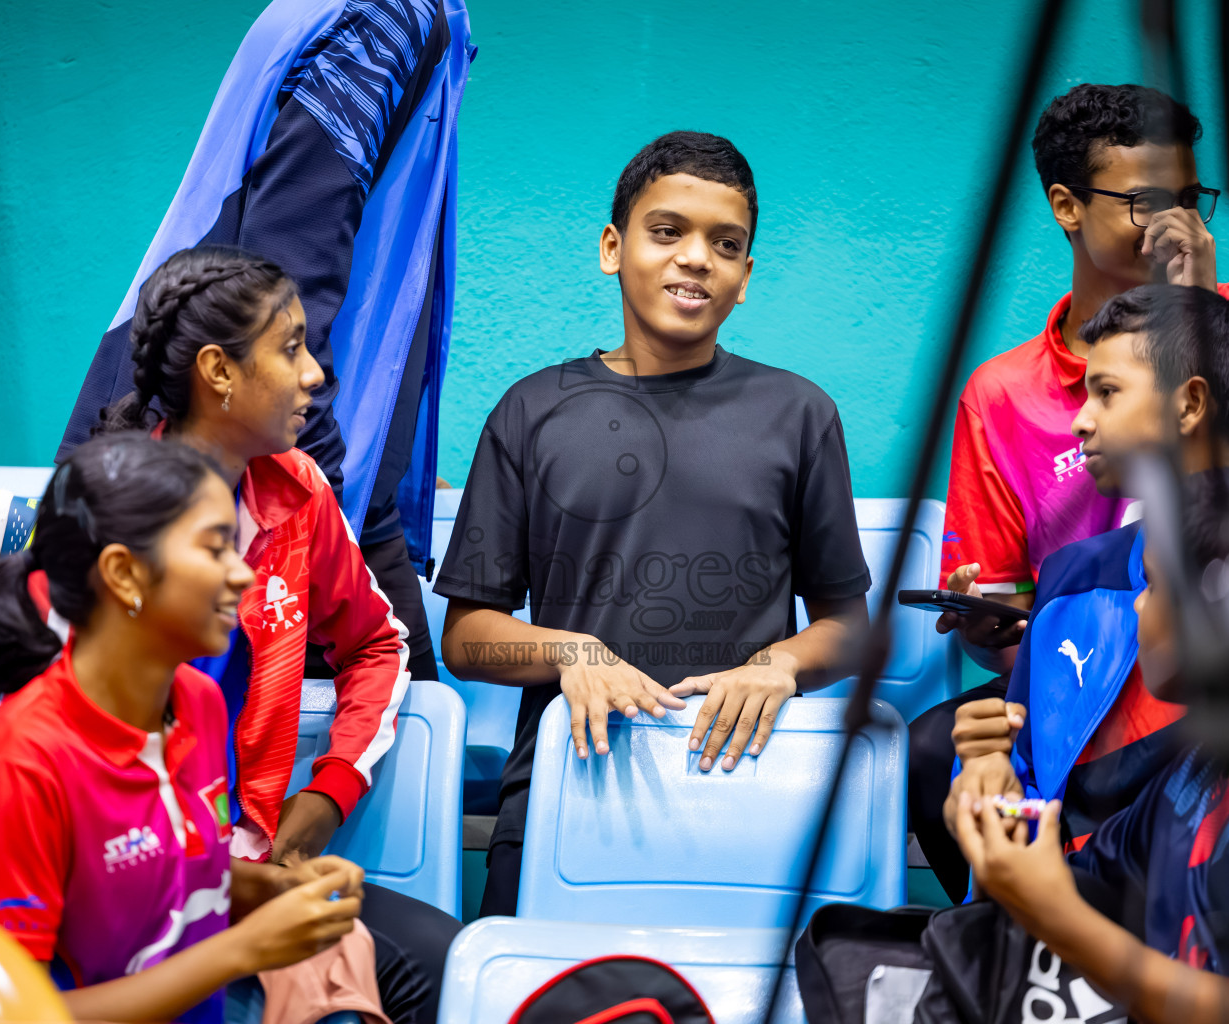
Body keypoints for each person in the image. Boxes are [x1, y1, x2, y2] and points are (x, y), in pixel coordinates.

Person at [909, 82, 1229, 898]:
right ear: (1067, 206)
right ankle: (1019, 934)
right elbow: (1005, 628)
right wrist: (990, 625)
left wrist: (1204, 318)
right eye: (1147, 202)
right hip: (1082, 663)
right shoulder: (1000, 393)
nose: (1177, 226)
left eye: (1189, 198)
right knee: (937, 748)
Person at [433, 131, 871, 916]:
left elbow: (849, 630)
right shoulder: (532, 410)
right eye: (668, 231)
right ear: (613, 248)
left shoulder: (800, 415)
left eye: (725, 244)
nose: (696, 258)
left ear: (745, 277)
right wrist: (570, 652)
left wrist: (779, 665)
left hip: (744, 793)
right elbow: (466, 639)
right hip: (563, 790)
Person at [60, 0, 477, 685]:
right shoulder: (383, 20)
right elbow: (279, 297)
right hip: (249, 488)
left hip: (252, 472)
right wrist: (322, 505)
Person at [100, 246, 460, 1022]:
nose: (316, 375)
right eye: (290, 348)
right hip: (129, 872)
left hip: (240, 861)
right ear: (218, 372)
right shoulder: (106, 512)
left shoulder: (295, 491)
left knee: (443, 960)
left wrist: (328, 794)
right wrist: (234, 883)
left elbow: (378, 644)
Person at [945, 285, 1229, 862]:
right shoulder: (1067, 579)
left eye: (1107, 393)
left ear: (1190, 403)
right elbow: (1027, 796)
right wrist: (985, 785)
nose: (1080, 422)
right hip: (1059, 897)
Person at [0, 434, 369, 1024]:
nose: (242, 575)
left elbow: (179, 869)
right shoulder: (18, 765)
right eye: (216, 549)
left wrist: (277, 892)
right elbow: (9, 1013)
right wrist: (241, 950)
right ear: (124, 574)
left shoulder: (199, 703)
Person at [955, 467, 1229, 1022]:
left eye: (1154, 587)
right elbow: (1078, 882)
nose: (1137, 606)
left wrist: (1062, 920)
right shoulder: (1201, 771)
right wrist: (990, 798)